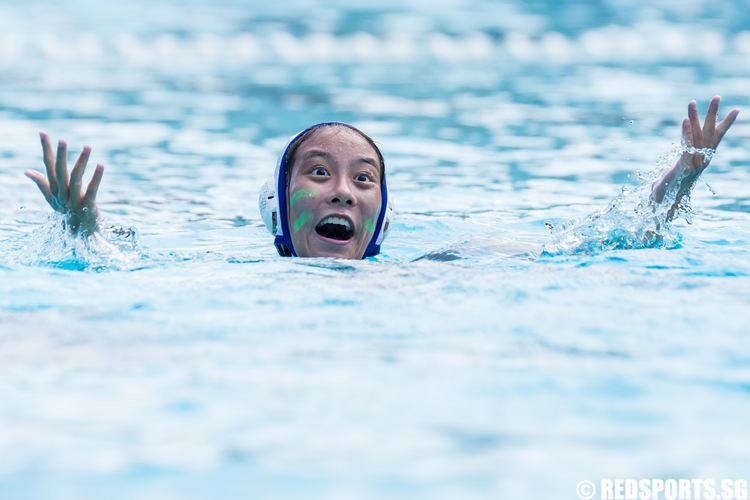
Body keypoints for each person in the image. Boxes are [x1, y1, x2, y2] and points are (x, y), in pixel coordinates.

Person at [24, 97, 739, 260]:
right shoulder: (216, 270)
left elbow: (608, 243)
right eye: (319, 172)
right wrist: (81, 227)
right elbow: (115, 260)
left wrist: (682, 177)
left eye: (364, 179)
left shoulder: (430, 270)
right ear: (279, 212)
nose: (344, 190)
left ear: (381, 218)